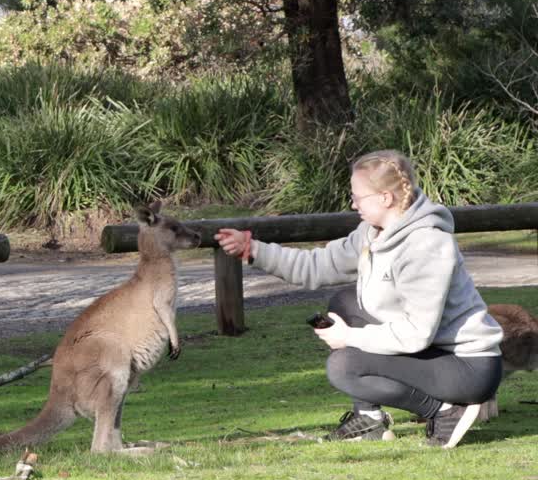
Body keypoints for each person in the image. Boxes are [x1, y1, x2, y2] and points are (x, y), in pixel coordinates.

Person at [214, 150, 503, 448]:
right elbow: (318, 266)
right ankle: (369, 421)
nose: (353, 204)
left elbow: (416, 333)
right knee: (345, 302)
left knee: (344, 366)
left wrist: (349, 336)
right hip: (432, 352)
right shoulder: (372, 232)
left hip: (467, 367)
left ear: (385, 198)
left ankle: (445, 411)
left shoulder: (426, 245)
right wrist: (254, 250)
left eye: (358, 197)